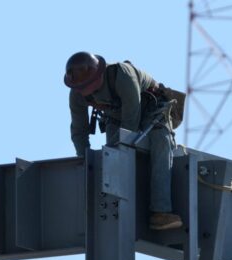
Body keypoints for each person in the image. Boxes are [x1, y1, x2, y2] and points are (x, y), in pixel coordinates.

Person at [64, 51, 182, 230]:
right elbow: (79, 131)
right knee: (111, 154)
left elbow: (130, 123)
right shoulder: (77, 94)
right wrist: (85, 159)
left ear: (97, 77)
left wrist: (121, 149)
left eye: (85, 85)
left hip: (151, 108)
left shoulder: (122, 75)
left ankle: (160, 211)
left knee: (160, 143)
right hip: (117, 116)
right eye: (79, 87)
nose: (82, 91)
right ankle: (114, 207)